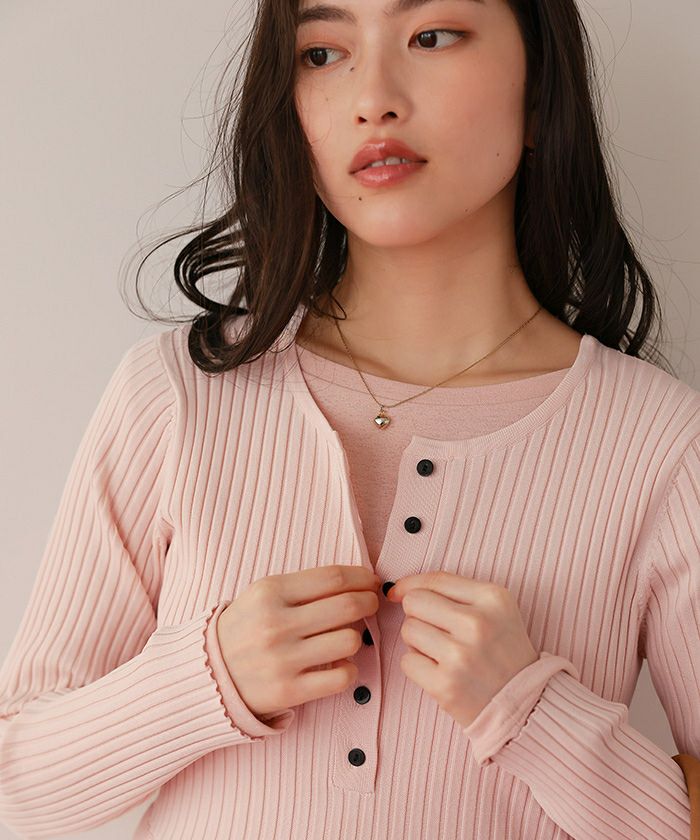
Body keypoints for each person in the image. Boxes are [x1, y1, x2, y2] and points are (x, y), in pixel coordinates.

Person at [1, 0, 698, 838]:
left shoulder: (662, 444)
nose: (373, 98)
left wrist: (532, 711)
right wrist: (208, 679)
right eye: (322, 53)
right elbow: (16, 784)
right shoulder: (180, 393)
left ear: (541, 85)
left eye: (431, 36)